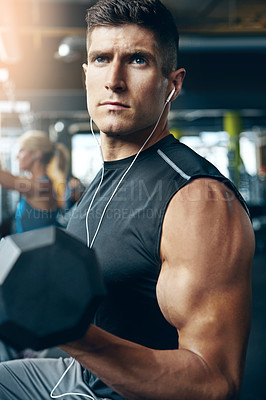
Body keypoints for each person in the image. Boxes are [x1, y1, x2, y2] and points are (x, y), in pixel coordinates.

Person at [0, 1, 255, 400]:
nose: (114, 80)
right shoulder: (104, 182)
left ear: (173, 83)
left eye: (137, 60)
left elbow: (215, 383)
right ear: (86, 75)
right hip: (82, 374)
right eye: (102, 59)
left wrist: (68, 330)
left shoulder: (199, 201)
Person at [0, 130, 67, 233]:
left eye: (21, 150)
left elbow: (6, 179)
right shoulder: (36, 183)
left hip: (38, 249)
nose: (17, 156)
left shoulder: (42, 186)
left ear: (36, 155)